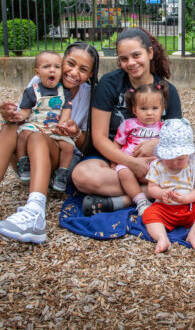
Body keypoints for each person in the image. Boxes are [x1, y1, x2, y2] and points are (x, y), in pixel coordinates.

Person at [72, 28, 182, 213]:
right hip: (115, 159)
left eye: (136, 55)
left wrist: (156, 143)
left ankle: (124, 200)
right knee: (82, 176)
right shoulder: (109, 84)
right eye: (124, 59)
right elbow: (99, 138)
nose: (131, 63)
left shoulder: (166, 90)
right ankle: (156, 191)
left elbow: (178, 134)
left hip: (157, 159)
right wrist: (132, 164)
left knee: (194, 164)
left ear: (150, 53)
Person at [0, 42, 99, 243]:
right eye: (70, 64)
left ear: (90, 75)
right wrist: (9, 114)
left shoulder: (90, 95)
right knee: (10, 125)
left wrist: (75, 132)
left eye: (83, 69)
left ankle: (35, 211)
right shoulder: (40, 80)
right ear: (61, 62)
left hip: (61, 158)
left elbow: (88, 145)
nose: (73, 72)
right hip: (27, 155)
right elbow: (24, 116)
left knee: (38, 136)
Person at [83, 82, 167, 216]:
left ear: (162, 109)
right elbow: (117, 144)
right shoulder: (128, 124)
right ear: (134, 110)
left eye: (155, 108)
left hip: (153, 163)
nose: (149, 113)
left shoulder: (164, 128)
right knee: (124, 172)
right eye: (144, 108)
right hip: (128, 161)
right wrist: (114, 162)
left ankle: (156, 197)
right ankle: (141, 201)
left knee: (168, 170)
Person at [142, 118, 195, 253]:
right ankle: (162, 238)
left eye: (180, 159)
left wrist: (187, 198)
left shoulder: (193, 165)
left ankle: (194, 233)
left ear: (189, 154)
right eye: (169, 158)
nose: (175, 163)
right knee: (149, 214)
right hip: (165, 208)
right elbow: (151, 188)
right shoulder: (157, 166)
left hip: (190, 206)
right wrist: (161, 193)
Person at [15, 51, 75, 192]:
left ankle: (61, 173)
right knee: (23, 134)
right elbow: (25, 110)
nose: (52, 70)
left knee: (68, 147)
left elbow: (66, 110)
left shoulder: (64, 92)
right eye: (46, 66)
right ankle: (23, 162)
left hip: (53, 127)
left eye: (57, 67)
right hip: (35, 124)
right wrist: (18, 116)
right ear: (37, 72)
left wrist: (63, 124)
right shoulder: (32, 91)